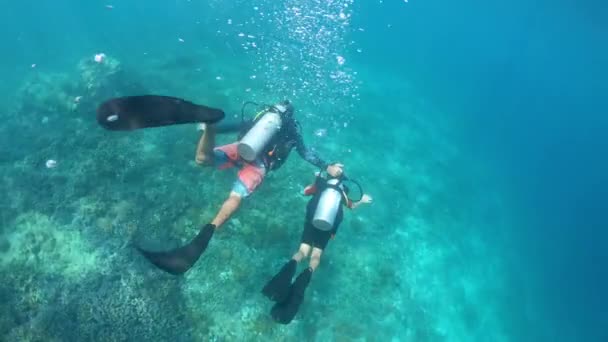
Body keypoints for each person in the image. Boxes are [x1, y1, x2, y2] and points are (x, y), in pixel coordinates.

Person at [137, 100, 345, 274]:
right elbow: (306, 153)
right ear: (291, 117)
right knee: (235, 196)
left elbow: (232, 126)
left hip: (241, 149)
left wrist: (212, 127)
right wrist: (327, 166)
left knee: (202, 159)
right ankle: (205, 235)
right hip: (260, 164)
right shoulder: (292, 131)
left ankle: (208, 126)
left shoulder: (261, 119)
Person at [262, 171, 372, 324]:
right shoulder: (342, 191)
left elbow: (306, 191)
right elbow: (351, 206)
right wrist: (363, 200)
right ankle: (306, 275)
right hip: (327, 227)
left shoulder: (321, 184)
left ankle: (279, 286)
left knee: (302, 251)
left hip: (312, 222)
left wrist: (315, 180)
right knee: (315, 256)